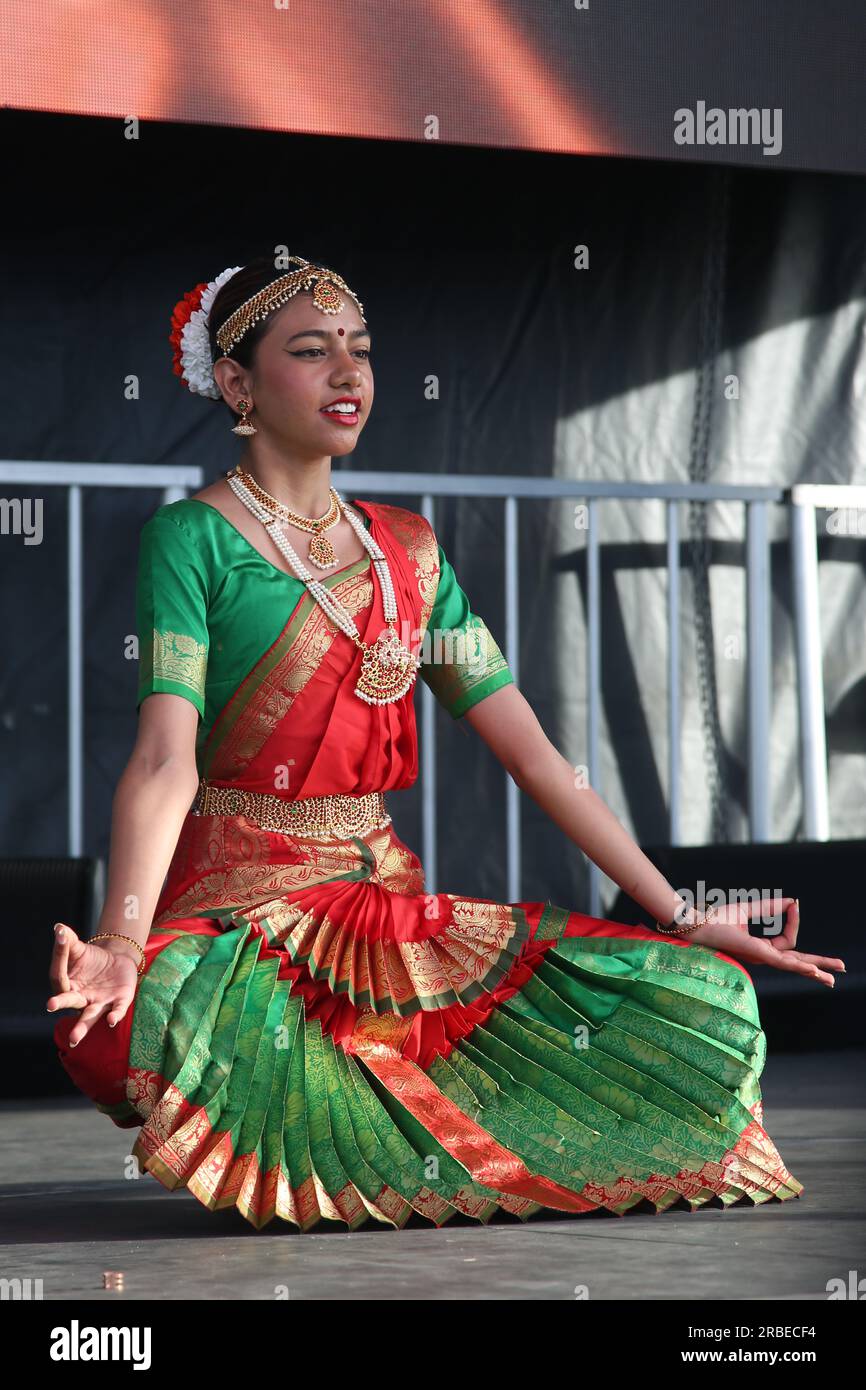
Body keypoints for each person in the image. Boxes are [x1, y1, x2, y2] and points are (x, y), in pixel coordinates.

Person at [48, 253, 844, 1232]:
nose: (349, 375)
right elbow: (164, 760)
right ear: (237, 384)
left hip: (385, 920)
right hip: (241, 908)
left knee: (706, 995)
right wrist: (123, 944)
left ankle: (373, 1142)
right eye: (311, 351)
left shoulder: (411, 555)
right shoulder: (192, 541)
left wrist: (678, 911)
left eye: (362, 351)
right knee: (120, 1021)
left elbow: (535, 756)